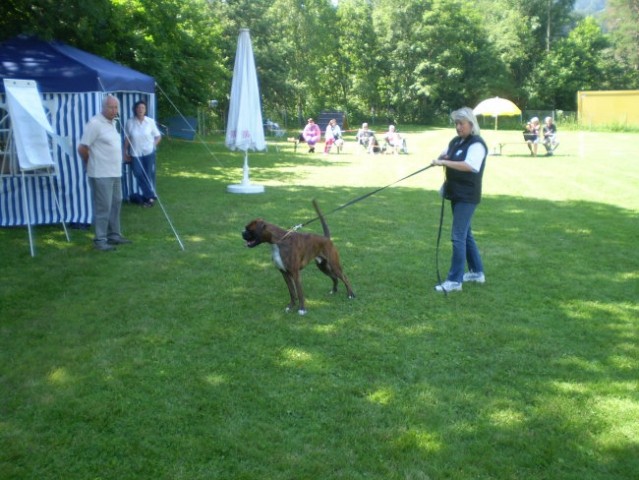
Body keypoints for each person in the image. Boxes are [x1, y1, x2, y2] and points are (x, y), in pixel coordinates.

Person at [431, 107, 487, 293]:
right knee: (465, 234)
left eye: (461, 123)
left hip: (468, 196)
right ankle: (477, 272)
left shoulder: (477, 144)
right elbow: (444, 154)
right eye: (456, 124)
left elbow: (470, 166)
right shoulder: (456, 141)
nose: (458, 127)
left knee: (458, 236)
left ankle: (455, 280)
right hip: (456, 194)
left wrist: (445, 162)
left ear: (471, 125)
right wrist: (441, 158)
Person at [77, 95, 131, 251]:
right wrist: (89, 163)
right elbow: (82, 148)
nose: (114, 110)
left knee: (116, 203)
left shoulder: (113, 123)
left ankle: (114, 235)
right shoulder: (95, 124)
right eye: (111, 107)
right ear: (103, 107)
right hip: (100, 173)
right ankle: (100, 240)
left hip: (115, 172)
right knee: (104, 207)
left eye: (116, 107)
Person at [124, 100, 162, 207]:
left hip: (148, 153)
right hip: (135, 153)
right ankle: (150, 195)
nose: (140, 110)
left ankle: (147, 199)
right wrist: (125, 152)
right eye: (139, 108)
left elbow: (158, 136)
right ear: (135, 109)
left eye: (143, 108)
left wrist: (153, 145)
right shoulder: (130, 122)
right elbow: (127, 138)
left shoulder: (150, 121)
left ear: (145, 110)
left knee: (147, 175)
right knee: (138, 173)